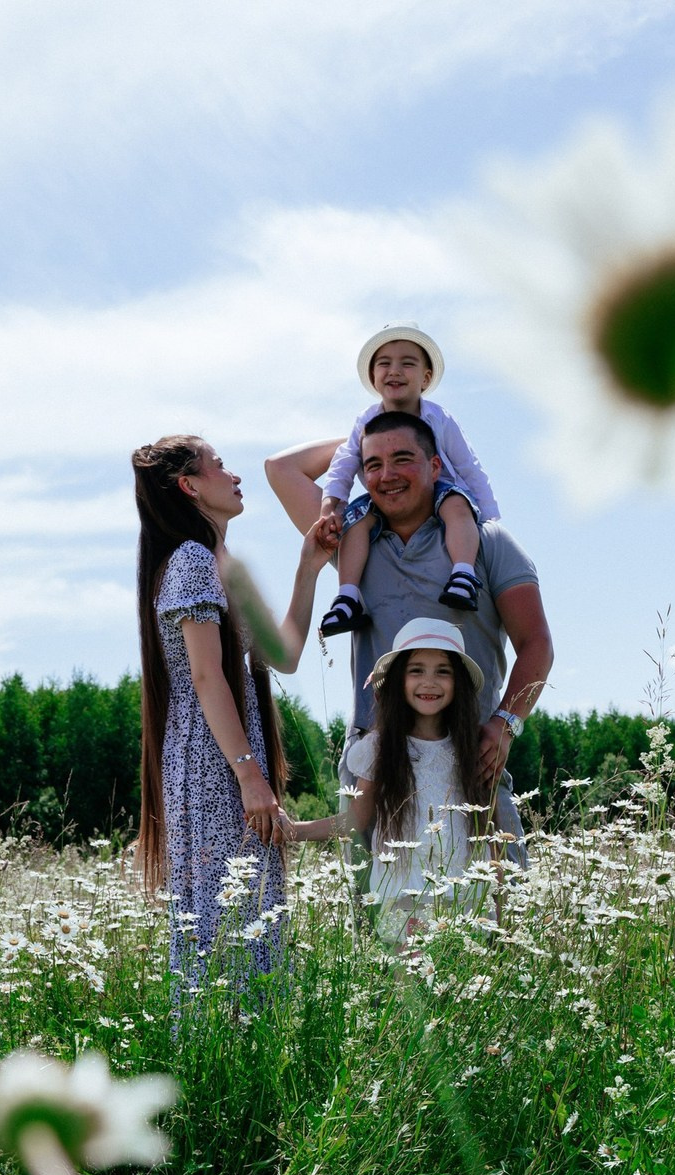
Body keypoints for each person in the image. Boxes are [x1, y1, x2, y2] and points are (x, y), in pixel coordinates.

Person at [265, 411, 553, 857]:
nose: (387, 475)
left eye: (404, 458)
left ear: (436, 466)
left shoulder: (485, 540)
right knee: (380, 917)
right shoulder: (350, 542)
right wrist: (368, 432)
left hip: (468, 756)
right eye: (373, 464)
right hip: (374, 763)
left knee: (497, 912)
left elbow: (536, 644)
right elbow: (280, 469)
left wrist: (505, 724)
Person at [131, 434, 325, 993]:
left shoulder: (222, 566)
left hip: (230, 758)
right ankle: (211, 1057)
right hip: (213, 762)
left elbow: (283, 655)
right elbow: (206, 675)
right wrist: (248, 775)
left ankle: (241, 1059)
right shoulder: (192, 561)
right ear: (189, 486)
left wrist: (309, 566)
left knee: (248, 910)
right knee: (222, 919)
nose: (233, 474)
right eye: (218, 466)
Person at [280, 617, 494, 945]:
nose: (430, 682)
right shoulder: (381, 749)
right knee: (411, 985)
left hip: (462, 890)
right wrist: (294, 831)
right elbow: (357, 818)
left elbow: (485, 827)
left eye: (443, 671)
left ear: (459, 683)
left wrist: (499, 888)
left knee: (458, 987)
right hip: (404, 889)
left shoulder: (470, 749)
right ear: (397, 680)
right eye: (416, 670)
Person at [312, 324, 500, 638]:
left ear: (425, 378)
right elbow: (344, 461)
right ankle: (347, 596)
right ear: (373, 377)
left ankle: (464, 574)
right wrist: (331, 504)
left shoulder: (439, 418)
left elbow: (470, 468)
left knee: (456, 504)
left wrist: (491, 520)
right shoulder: (366, 421)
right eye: (384, 363)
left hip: (439, 491)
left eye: (407, 363)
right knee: (356, 521)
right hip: (385, 496)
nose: (394, 371)